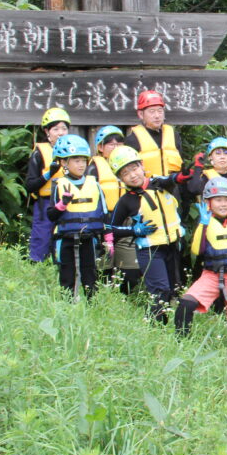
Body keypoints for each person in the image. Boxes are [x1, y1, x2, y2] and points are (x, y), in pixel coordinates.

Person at [106, 145, 186, 323]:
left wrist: (182, 176)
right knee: (160, 290)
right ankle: (155, 327)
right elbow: (111, 228)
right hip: (149, 250)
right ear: (120, 178)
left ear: (142, 165)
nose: (133, 175)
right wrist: (134, 230)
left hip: (171, 246)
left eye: (134, 168)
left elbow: (172, 180)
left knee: (172, 290)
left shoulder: (158, 183)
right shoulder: (127, 200)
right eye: (125, 173)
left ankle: (167, 329)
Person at [175, 177, 227, 338]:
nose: (223, 204)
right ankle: (181, 341)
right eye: (218, 200)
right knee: (186, 303)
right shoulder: (206, 221)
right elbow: (197, 250)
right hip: (212, 274)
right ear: (209, 202)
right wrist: (204, 224)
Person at [46, 134, 108, 300]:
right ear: (64, 162)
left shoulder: (94, 184)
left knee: (90, 277)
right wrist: (62, 204)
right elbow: (51, 215)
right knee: (67, 277)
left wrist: (108, 240)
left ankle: (92, 309)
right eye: (76, 161)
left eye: (83, 160)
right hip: (66, 239)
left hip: (88, 238)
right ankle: (68, 309)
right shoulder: (59, 185)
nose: (81, 165)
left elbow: (105, 214)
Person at [88, 125, 140, 292]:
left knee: (128, 263)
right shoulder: (94, 167)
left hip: (126, 217)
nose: (116, 147)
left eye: (119, 143)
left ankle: (125, 292)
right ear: (101, 148)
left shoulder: (130, 167)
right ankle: (103, 291)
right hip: (104, 218)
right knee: (104, 259)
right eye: (111, 144)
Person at [24, 107, 70, 262]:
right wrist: (48, 174)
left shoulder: (73, 152)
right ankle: (37, 269)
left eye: (64, 128)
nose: (61, 133)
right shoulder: (39, 153)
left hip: (67, 203)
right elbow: (30, 185)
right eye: (55, 129)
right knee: (41, 241)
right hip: (46, 203)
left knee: (65, 240)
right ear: (47, 132)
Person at [124, 90, 184, 177]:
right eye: (152, 111)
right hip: (147, 188)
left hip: (174, 186)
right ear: (141, 114)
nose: (157, 116)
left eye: (160, 111)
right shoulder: (132, 139)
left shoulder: (174, 136)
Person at [187, 136, 227, 212]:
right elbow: (193, 189)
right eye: (218, 153)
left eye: (226, 153)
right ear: (210, 157)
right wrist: (198, 167)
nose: (222, 157)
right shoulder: (206, 176)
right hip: (212, 220)